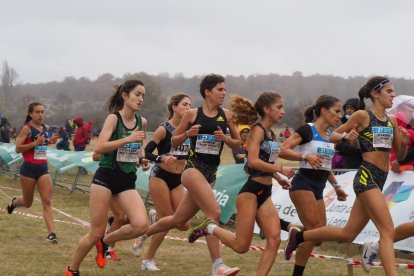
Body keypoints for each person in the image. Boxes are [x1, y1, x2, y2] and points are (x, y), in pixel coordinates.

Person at [284, 77, 409, 276]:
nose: (393, 95)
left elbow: (400, 157)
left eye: (393, 91)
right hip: (366, 177)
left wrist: (403, 141)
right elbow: (333, 135)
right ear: (375, 94)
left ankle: (299, 237)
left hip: (380, 179)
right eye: (389, 91)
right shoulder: (362, 115)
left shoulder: (392, 120)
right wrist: (345, 137)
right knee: (387, 231)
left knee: (348, 233)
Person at [142, 74, 241, 276]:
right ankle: (218, 266)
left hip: (211, 173)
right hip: (192, 169)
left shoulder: (228, 115)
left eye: (225, 89)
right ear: (207, 91)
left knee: (178, 220)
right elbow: (175, 142)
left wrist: (226, 139)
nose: (225, 93)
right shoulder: (192, 115)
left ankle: (142, 232)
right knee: (213, 214)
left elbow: (238, 144)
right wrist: (188, 134)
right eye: (220, 89)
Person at [188, 92, 295, 275]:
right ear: (266, 110)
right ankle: (209, 227)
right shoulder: (257, 130)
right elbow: (252, 161)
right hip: (251, 193)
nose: (283, 111)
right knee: (241, 246)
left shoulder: (270, 133)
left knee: (274, 239)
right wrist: (281, 168)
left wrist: (278, 176)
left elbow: (264, 163)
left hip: (265, 190)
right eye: (279, 107)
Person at [65, 80, 150, 275]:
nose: (141, 99)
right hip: (106, 178)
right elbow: (100, 147)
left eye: (143, 96)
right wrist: (127, 139)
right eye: (137, 94)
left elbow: (140, 147)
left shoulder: (142, 122)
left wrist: (142, 159)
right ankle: (72, 270)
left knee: (140, 225)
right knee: (95, 231)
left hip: (127, 180)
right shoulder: (114, 119)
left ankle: (106, 241)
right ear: (125, 95)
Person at [280, 95, 349, 276]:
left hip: (318, 186)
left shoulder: (329, 136)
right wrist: (304, 157)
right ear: (324, 111)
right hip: (303, 183)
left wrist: (336, 186)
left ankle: (294, 231)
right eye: (336, 111)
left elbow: (326, 165)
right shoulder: (307, 130)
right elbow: (283, 149)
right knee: (314, 231)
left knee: (317, 238)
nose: (339, 115)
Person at [131, 93, 192, 271]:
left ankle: (154, 218)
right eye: (185, 104)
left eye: (190, 105)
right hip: (160, 177)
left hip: (178, 179)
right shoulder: (164, 129)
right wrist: (161, 159)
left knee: (183, 224)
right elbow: (147, 153)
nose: (189, 108)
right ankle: (148, 260)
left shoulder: (190, 130)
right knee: (167, 219)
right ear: (174, 107)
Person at [6, 102, 58, 241]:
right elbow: (18, 148)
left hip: (43, 169)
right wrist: (34, 143)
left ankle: (51, 234)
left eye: (42, 112)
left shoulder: (45, 127)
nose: (41, 114)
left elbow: (42, 144)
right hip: (28, 169)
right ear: (30, 114)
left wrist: (49, 141)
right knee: (27, 203)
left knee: (46, 201)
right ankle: (15, 202)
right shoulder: (26, 129)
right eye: (37, 112)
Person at [334, 98, 363, 169]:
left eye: (351, 108)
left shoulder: (363, 126)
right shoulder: (343, 126)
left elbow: (363, 147)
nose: (349, 110)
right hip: (347, 165)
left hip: (361, 165)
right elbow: (337, 145)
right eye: (347, 108)